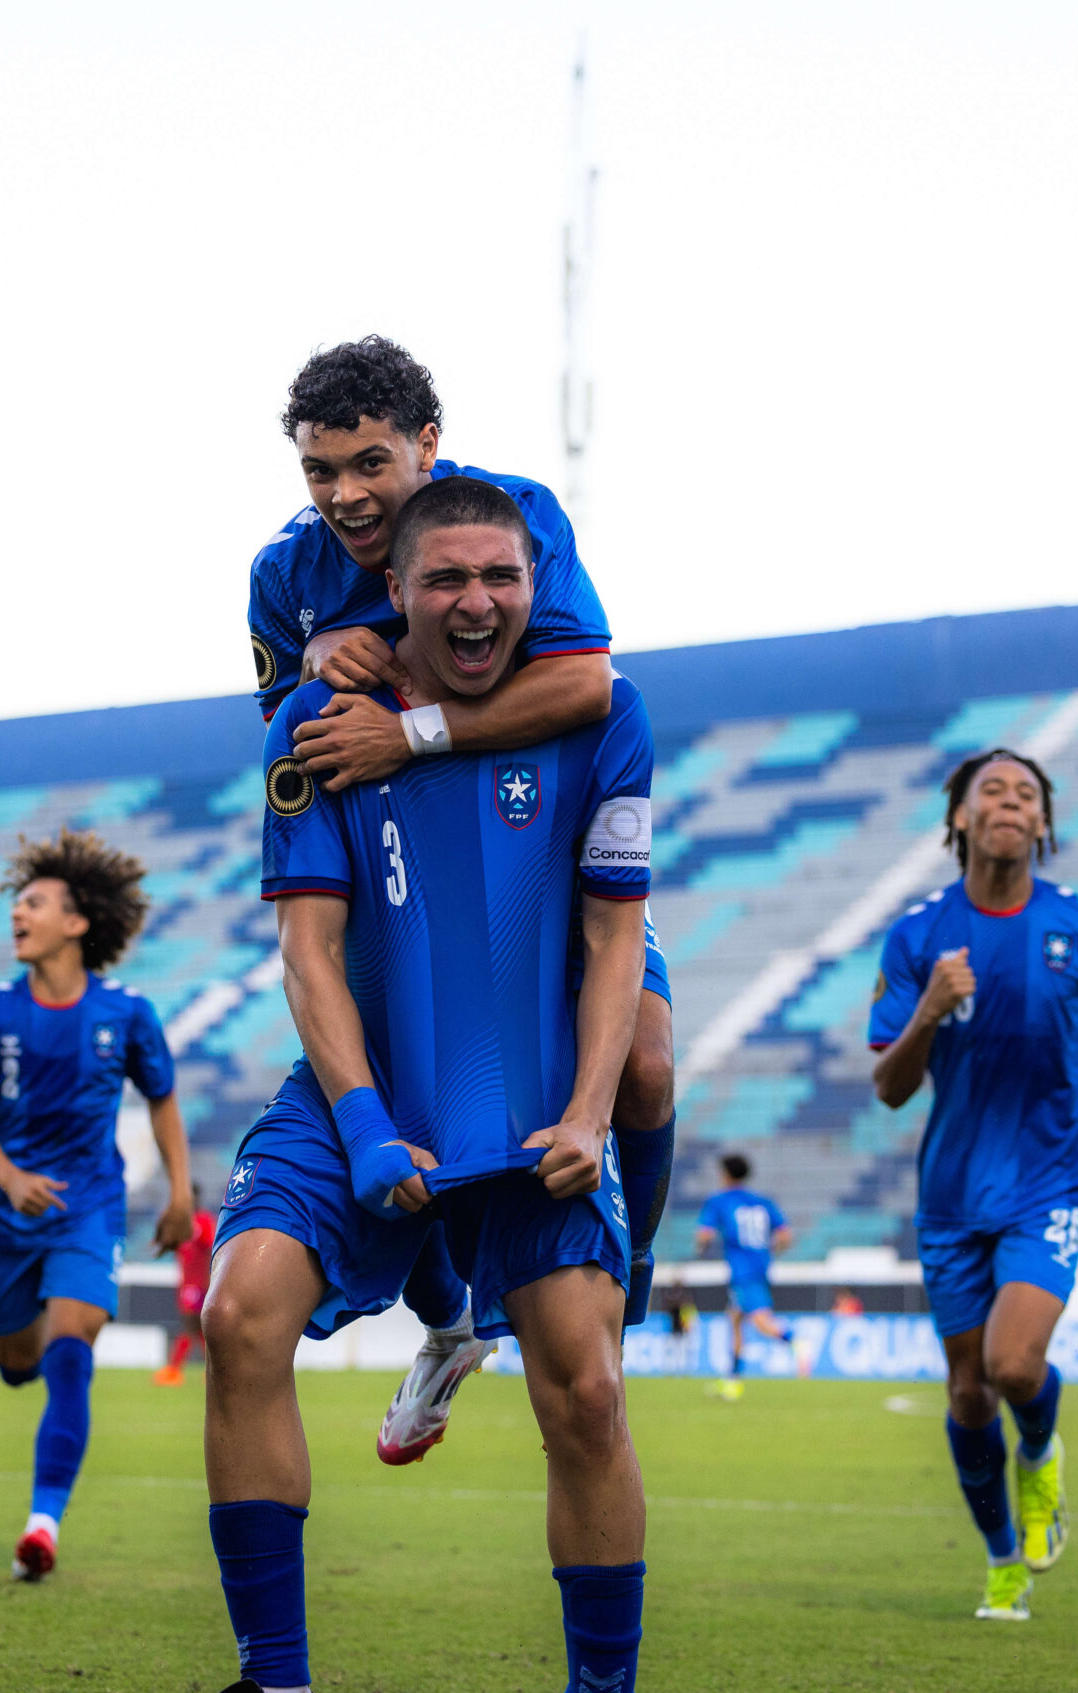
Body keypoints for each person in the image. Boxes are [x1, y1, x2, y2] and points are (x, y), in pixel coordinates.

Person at [200, 475, 654, 1693]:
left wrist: (588, 1113)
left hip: (535, 1108)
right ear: (390, 589)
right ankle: (278, 1691)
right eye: (445, 578)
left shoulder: (605, 716)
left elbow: (615, 939)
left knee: (588, 1391)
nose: (476, 602)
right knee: (238, 1316)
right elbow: (307, 952)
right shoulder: (317, 720)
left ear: (535, 587)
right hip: (362, 1086)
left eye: (500, 578)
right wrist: (359, 1123)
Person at [245, 339, 678, 1464]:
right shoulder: (282, 575)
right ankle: (447, 1321)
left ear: (427, 447)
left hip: (542, 857)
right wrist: (314, 666)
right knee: (415, 1097)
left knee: (643, 1063)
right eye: (320, 469)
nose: (345, 494)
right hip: (411, 874)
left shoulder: (511, 519)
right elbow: (294, 742)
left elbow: (584, 684)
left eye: (369, 463)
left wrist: (409, 723)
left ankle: (626, 1273)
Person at [867, 749, 1078, 1623]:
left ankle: (1041, 1452)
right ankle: (1001, 1560)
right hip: (952, 1194)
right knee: (966, 1391)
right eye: (992, 790)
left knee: (1013, 1363)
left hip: (1050, 1179)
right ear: (959, 816)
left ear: (1044, 822)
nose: (1010, 803)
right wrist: (928, 1010)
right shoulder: (918, 936)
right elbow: (889, 1086)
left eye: (1027, 794)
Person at [0, 830, 191, 1579]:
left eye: (34, 903)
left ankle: (42, 1524)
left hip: (90, 1207)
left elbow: (162, 1098)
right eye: (19, 903)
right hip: (9, 1213)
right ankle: (29, 1366)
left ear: (77, 922)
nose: (17, 913)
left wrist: (181, 1191)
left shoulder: (128, 1013)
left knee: (69, 1348)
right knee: (18, 1361)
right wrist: (10, 1177)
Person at [693, 1154, 798, 1398]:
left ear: (725, 1174)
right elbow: (785, 1236)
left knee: (760, 1321)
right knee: (735, 1319)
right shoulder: (762, 1201)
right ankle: (733, 1381)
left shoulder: (720, 1201)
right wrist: (769, 1252)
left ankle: (796, 1342)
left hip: (742, 1272)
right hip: (760, 1267)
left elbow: (705, 1235)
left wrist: (700, 1248)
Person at [156, 1189, 218, 1388]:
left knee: (190, 1325)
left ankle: (174, 1371)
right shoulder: (182, 1221)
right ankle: (213, 1372)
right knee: (198, 1330)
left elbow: (210, 1248)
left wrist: (210, 1280)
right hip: (187, 1283)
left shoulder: (203, 1221)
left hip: (198, 1284)